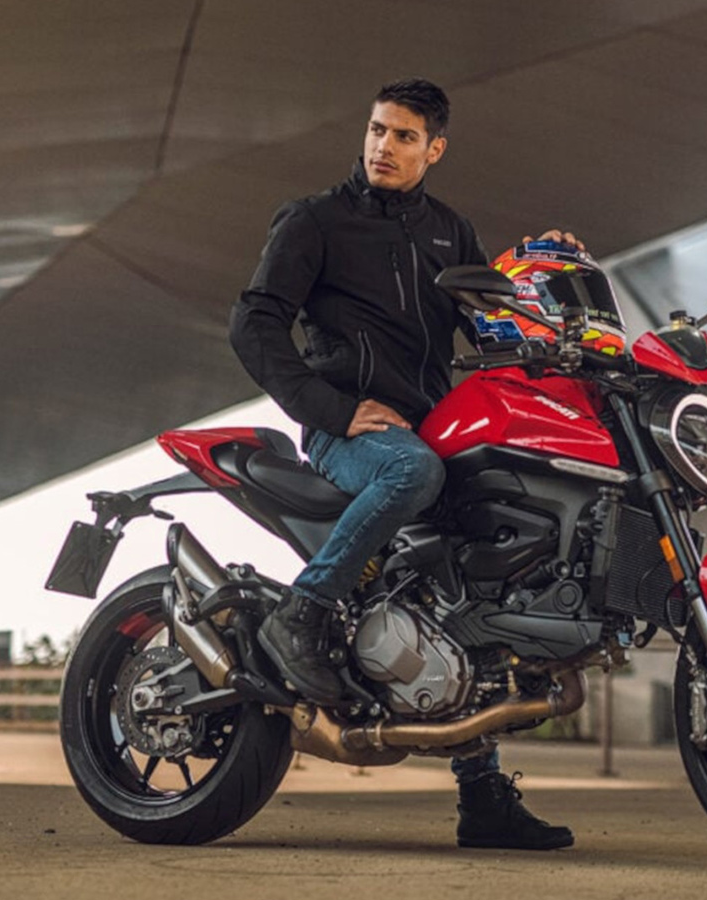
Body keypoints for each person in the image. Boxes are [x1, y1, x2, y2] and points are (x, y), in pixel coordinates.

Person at [229, 78, 583, 851]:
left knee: (481, 575)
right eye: (376, 130)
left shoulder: (448, 232)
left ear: (435, 149)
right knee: (411, 473)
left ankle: (483, 799)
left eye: (402, 136)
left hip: (428, 427)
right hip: (353, 433)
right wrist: (329, 409)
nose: (382, 146)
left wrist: (549, 309)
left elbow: (492, 326)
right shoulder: (316, 220)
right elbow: (254, 326)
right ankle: (303, 612)